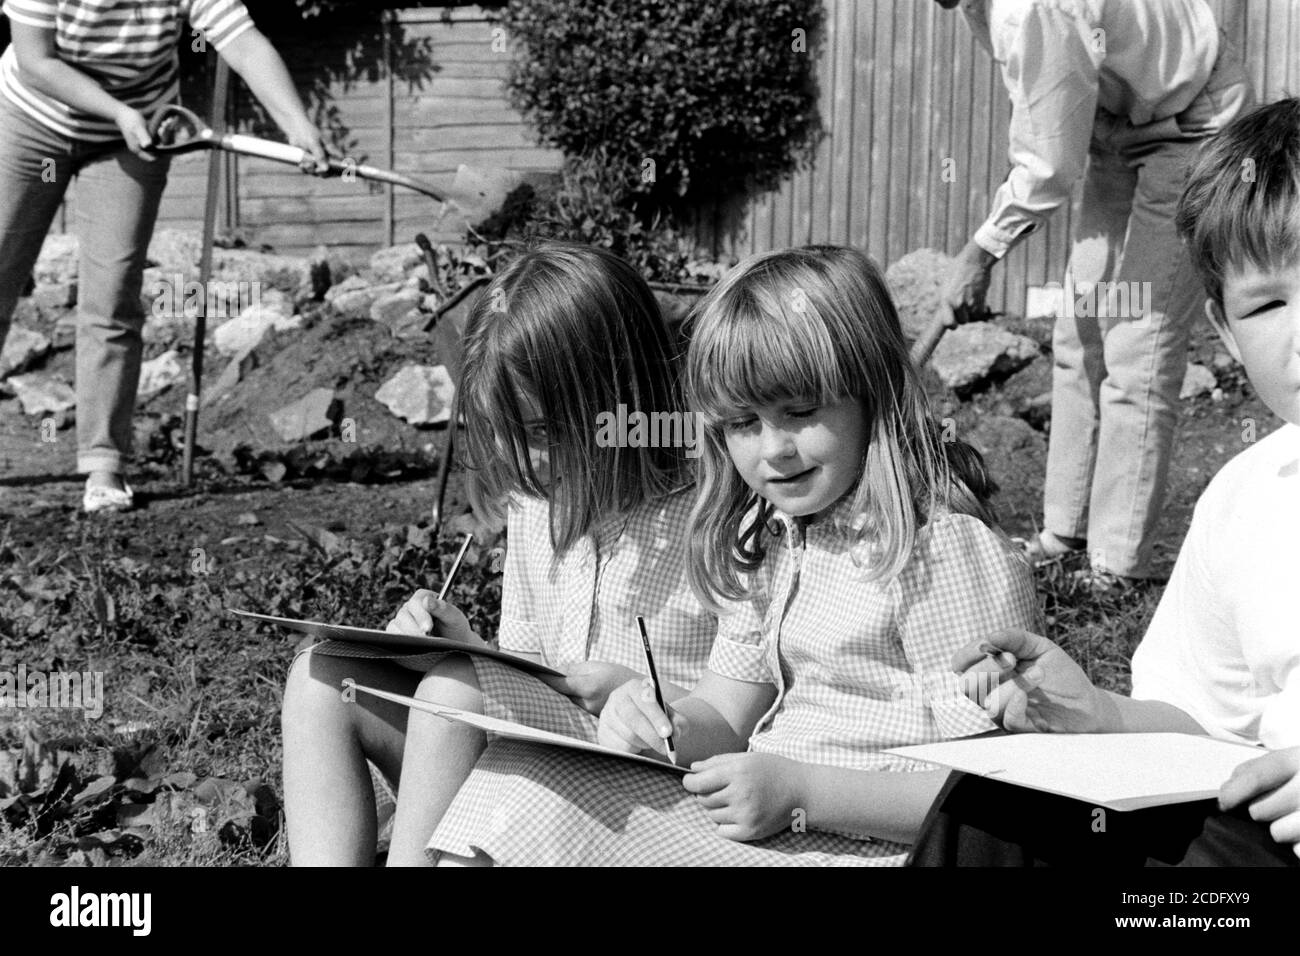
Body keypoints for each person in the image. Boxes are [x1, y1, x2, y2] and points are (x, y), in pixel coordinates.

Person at [421, 245, 1044, 866]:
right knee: (533, 790)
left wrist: (807, 792)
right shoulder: (775, 538)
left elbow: (1000, 799)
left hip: (868, 850)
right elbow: (723, 712)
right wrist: (658, 715)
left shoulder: (941, 550)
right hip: (773, 829)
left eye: (798, 412)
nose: (774, 448)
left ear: (873, 391)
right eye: (743, 423)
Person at [910, 98, 1300, 867]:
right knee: (993, 807)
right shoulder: (1249, 498)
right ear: (1224, 330)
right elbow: (1206, 728)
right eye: (1269, 304)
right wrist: (1098, 713)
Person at [280, 242, 717, 866]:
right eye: (506, 434)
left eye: (538, 432)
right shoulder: (537, 500)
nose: (521, 460)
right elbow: (529, 665)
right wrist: (466, 648)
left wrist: (639, 692)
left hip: (645, 800)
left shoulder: (710, 512)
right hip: (532, 762)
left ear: (621, 396)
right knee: (324, 676)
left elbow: (746, 703)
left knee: (457, 696)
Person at [934, 0, 1249, 584]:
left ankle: (1117, 567)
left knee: (1138, 341)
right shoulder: (980, 7)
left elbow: (1049, 165)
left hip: (1191, 121)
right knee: (1078, 327)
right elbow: (1050, 109)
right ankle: (1064, 533)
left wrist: (980, 254)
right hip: (1116, 123)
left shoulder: (1033, 9)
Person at [0, 0, 327, 512]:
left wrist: (298, 128)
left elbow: (242, 42)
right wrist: (117, 110)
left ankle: (103, 466)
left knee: (112, 296)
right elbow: (36, 59)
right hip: (31, 121)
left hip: (134, 135)